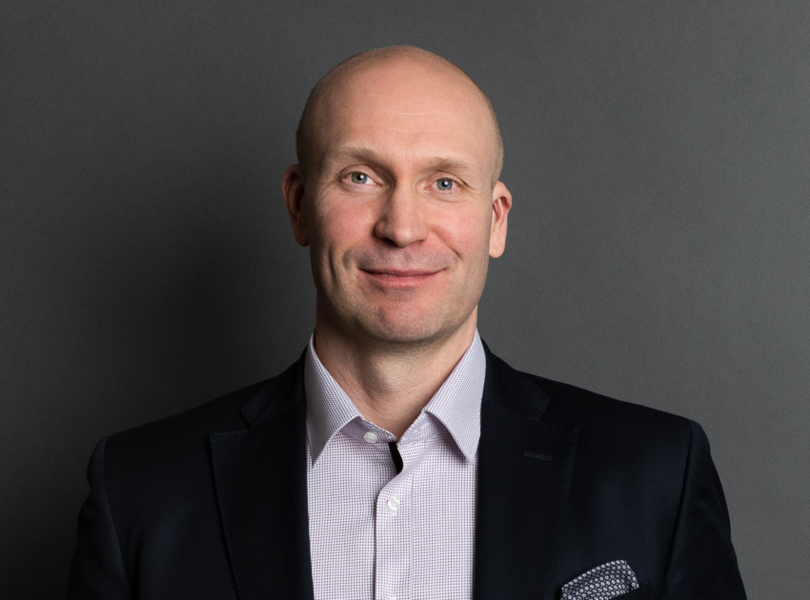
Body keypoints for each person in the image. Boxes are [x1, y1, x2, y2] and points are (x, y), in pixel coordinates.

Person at [67, 46, 746, 599]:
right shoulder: (140, 491)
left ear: (496, 220)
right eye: (361, 177)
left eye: (444, 182)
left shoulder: (655, 475)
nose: (402, 227)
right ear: (299, 206)